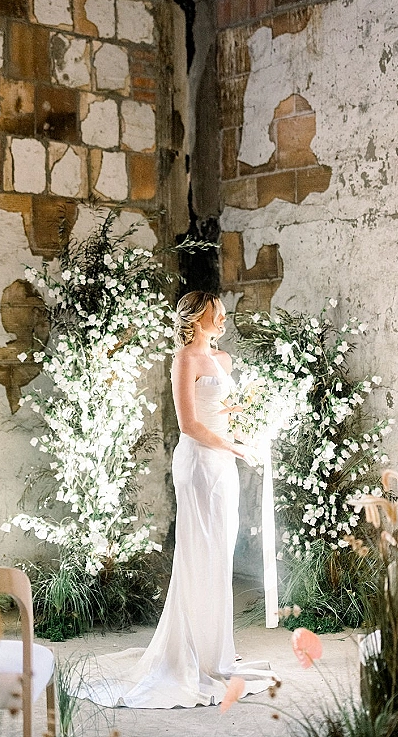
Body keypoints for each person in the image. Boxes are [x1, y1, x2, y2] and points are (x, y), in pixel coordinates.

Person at [79, 291, 276, 708]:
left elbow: (222, 412)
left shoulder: (224, 361)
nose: (222, 319)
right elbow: (189, 424)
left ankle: (214, 650)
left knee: (220, 550)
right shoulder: (184, 360)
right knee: (199, 550)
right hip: (199, 462)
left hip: (223, 461)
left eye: (222, 313)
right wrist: (233, 446)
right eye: (215, 313)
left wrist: (252, 422)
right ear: (196, 318)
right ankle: (190, 653)